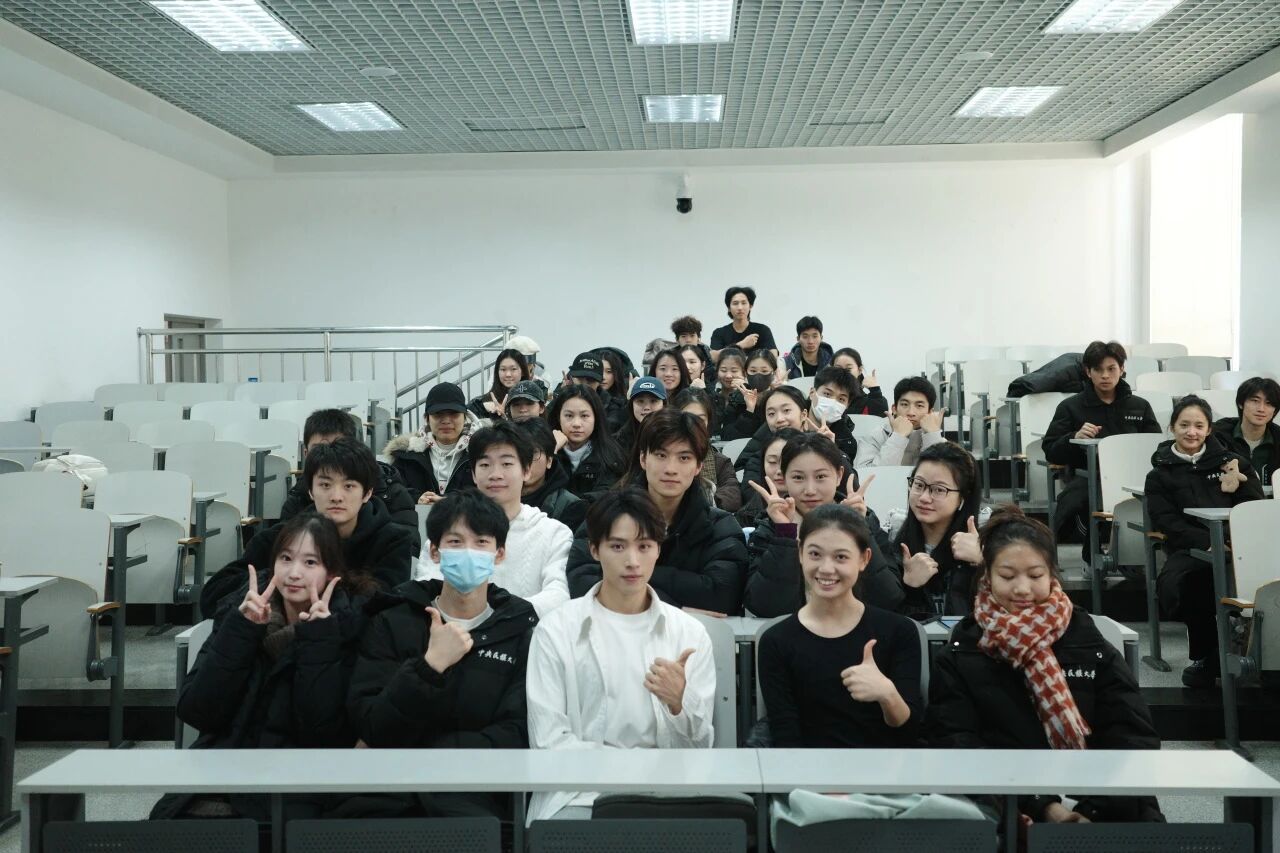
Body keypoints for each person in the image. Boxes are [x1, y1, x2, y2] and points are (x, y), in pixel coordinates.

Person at [928, 507, 1164, 826]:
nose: (1022, 589)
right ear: (987, 577)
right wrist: (1043, 806)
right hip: (1006, 806)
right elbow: (959, 745)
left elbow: (1133, 736)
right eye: (1007, 576)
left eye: (1035, 576)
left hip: (1102, 800)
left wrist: (1091, 809)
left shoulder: (1086, 640)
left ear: (1052, 575)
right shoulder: (964, 650)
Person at [151, 513, 375, 823]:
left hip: (302, 791)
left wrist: (319, 641)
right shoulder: (238, 617)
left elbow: (323, 736)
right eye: (286, 559)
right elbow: (196, 711)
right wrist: (241, 633)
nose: (294, 573)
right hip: (222, 778)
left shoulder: (351, 629)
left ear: (332, 573)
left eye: (310, 562)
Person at [526, 489, 715, 822]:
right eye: (617, 546)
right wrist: (634, 771)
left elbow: (699, 751)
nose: (632, 561)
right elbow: (549, 743)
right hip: (579, 796)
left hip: (667, 796)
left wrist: (679, 704)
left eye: (644, 546)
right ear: (594, 549)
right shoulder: (556, 630)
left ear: (659, 549)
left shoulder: (689, 634)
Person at [346, 490, 538, 819]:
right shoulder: (392, 620)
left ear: (500, 554)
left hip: (476, 799)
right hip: (386, 797)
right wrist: (430, 666)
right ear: (434, 551)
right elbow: (371, 725)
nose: (468, 553)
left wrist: (430, 753)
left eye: (481, 542)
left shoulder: (518, 630)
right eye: (455, 542)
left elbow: (516, 732)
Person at [757, 504, 922, 747]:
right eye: (815, 554)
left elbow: (910, 734)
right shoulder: (776, 640)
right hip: (806, 769)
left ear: (864, 559)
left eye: (841, 557)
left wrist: (887, 693)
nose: (826, 568)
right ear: (800, 553)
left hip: (884, 768)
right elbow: (785, 738)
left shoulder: (899, 632)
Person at [201, 438, 416, 615]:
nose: (336, 496)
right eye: (325, 485)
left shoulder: (392, 540)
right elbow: (212, 596)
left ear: (367, 493)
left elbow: (384, 606)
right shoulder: (280, 538)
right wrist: (279, 581)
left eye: (349, 486)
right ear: (311, 491)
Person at [567, 409, 749, 616]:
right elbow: (582, 581)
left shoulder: (721, 528)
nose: (671, 468)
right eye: (661, 455)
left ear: (698, 466)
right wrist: (674, 609)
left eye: (684, 458)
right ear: (643, 459)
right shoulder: (605, 516)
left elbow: (722, 597)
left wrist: (626, 579)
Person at [1146, 396, 1266, 687]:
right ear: (1172, 427)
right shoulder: (1159, 475)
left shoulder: (1232, 463)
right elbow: (1166, 521)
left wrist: (1234, 537)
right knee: (1193, 582)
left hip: (1238, 546)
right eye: (1184, 425)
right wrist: (1208, 541)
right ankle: (1205, 656)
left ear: (1209, 429)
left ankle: (1262, 652)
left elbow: (1253, 507)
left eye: (1199, 426)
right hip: (1190, 549)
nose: (1192, 432)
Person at [419, 422, 571, 617]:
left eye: (507, 464)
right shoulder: (448, 533)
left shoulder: (554, 533)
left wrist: (499, 620)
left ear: (526, 471)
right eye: (485, 465)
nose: (495, 475)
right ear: (473, 474)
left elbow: (557, 595)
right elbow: (429, 587)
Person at [745, 433, 904, 616]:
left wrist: (859, 529)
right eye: (798, 478)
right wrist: (785, 533)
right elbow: (763, 606)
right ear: (784, 478)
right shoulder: (770, 526)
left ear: (839, 475)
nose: (810, 490)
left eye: (820, 476)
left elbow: (888, 598)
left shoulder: (864, 519)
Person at [1042, 341, 1161, 545]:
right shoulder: (1070, 406)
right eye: (1098, 369)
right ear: (1088, 372)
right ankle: (1093, 551)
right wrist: (1074, 437)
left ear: (1122, 369)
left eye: (1111, 369)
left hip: (1133, 475)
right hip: (1089, 475)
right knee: (1078, 501)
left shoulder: (1140, 406)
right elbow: (1050, 450)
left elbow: (1155, 446)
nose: (1105, 375)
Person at [279, 407, 419, 550]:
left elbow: (409, 549)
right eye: (319, 449)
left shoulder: (391, 492)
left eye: (338, 446)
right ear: (306, 454)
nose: (330, 456)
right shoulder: (297, 498)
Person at [893, 442, 984, 617]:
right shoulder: (891, 543)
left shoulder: (988, 546)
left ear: (963, 497)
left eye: (939, 490)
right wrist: (911, 588)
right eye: (919, 485)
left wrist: (983, 564)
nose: (924, 497)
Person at [383, 382, 480, 505]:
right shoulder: (407, 456)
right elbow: (391, 490)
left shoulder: (481, 453)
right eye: (438, 414)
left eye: (453, 413)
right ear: (427, 419)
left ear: (465, 417)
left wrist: (451, 500)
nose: (446, 421)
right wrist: (416, 498)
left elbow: (488, 494)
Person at [547, 385, 626, 504]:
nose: (576, 424)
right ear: (558, 417)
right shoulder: (545, 450)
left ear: (596, 418)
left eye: (584, 416)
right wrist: (552, 451)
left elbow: (607, 496)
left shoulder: (611, 454)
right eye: (569, 416)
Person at [672, 387, 742, 513]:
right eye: (687, 418)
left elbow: (732, 497)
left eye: (700, 419)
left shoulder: (720, 462)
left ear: (708, 422)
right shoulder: (663, 456)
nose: (693, 425)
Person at [514, 417, 588, 533]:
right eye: (516, 454)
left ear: (549, 460)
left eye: (532, 454)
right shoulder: (493, 499)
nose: (524, 461)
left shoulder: (571, 507)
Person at [854, 377, 946, 468]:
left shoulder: (938, 439)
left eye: (919, 406)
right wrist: (898, 437)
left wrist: (933, 436)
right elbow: (865, 473)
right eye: (905, 404)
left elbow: (942, 473)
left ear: (930, 412)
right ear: (894, 409)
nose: (911, 412)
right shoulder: (875, 437)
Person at [1212, 376, 1280, 487]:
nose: (1261, 409)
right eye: (1255, 401)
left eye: (1268, 403)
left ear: (1275, 410)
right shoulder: (1218, 435)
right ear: (1241, 403)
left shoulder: (1277, 437)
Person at [736, 427, 803, 528]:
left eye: (787, 462)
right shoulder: (747, 515)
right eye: (772, 462)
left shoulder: (817, 509)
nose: (779, 470)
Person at [709, 286, 779, 361]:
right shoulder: (719, 332)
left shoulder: (762, 330)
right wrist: (741, 345)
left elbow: (773, 356)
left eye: (744, 303)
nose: (740, 307)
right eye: (735, 303)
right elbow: (713, 357)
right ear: (729, 308)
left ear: (750, 306)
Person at [810, 365, 860, 462]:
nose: (833, 403)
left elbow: (845, 470)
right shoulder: (789, 421)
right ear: (812, 393)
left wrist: (830, 450)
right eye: (827, 394)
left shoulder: (847, 441)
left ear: (847, 405)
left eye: (841, 399)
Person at [711, 347, 759, 440]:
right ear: (717, 371)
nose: (728, 375)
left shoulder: (750, 397)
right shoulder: (712, 396)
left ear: (744, 373)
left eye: (734, 371)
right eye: (723, 370)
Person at [468, 348, 529, 420]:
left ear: (523, 372)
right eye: (503, 369)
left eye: (513, 369)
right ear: (497, 372)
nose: (508, 374)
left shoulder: (532, 401)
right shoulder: (478, 405)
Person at [614, 376, 668, 453]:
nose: (646, 407)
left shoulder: (675, 437)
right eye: (640, 401)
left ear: (664, 405)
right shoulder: (617, 442)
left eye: (653, 401)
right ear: (631, 405)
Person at [831, 347, 888, 417]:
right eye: (838, 368)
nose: (843, 372)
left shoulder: (868, 401)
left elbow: (880, 416)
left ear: (860, 370)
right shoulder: (824, 395)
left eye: (848, 369)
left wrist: (875, 390)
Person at [671, 315, 716, 386]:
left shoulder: (707, 357)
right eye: (684, 336)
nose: (688, 340)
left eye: (692, 336)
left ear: (698, 338)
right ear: (677, 340)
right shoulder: (671, 357)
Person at [596, 348, 631, 433]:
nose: (603, 377)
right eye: (599, 371)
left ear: (616, 373)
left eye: (609, 371)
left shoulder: (624, 401)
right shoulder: (583, 397)